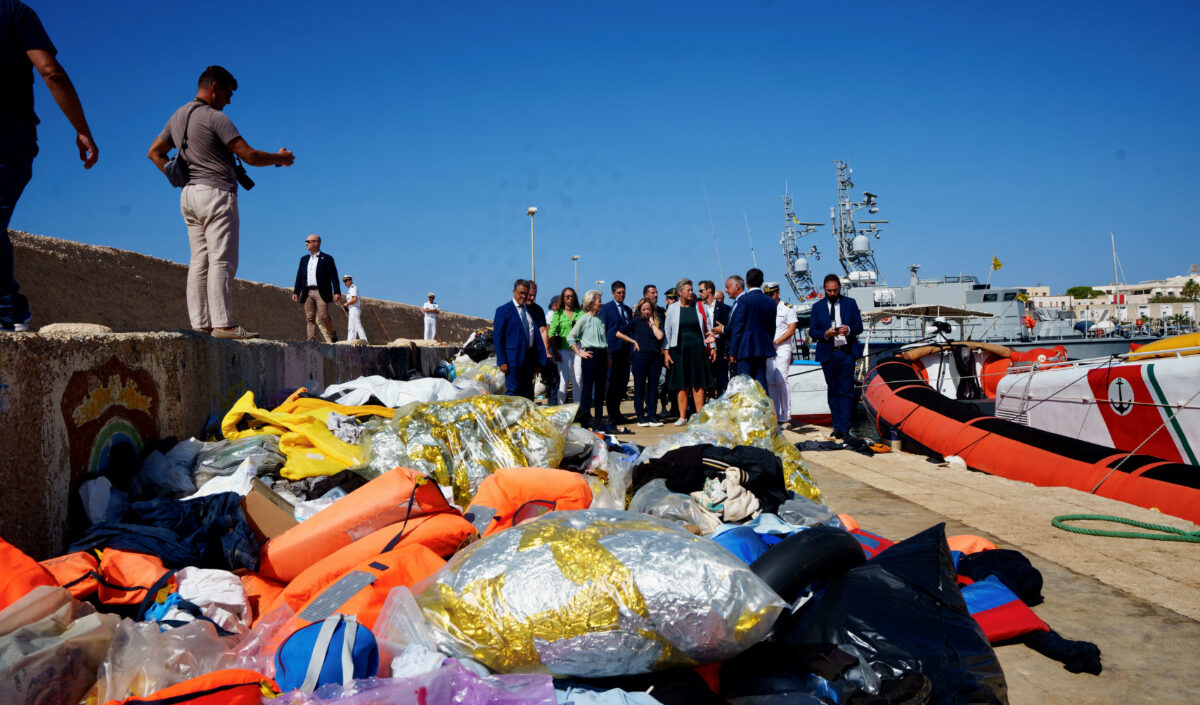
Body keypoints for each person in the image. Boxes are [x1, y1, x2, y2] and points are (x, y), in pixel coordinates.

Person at [149, 65, 293, 339]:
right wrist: (280, 158)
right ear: (215, 87)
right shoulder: (215, 118)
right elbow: (249, 156)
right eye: (228, 93)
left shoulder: (177, 116)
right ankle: (224, 325)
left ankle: (201, 325)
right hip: (216, 193)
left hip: (188, 194)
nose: (229, 100)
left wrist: (177, 177)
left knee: (198, 261)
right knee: (222, 260)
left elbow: (154, 152)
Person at [1, 0, 98, 332]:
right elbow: (50, 71)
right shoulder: (15, 12)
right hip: (10, 135)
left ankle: (8, 311)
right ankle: (9, 310)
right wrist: (82, 129)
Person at [808, 273, 863, 440]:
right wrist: (825, 333)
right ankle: (837, 425)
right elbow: (813, 330)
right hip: (828, 354)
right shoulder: (817, 307)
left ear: (840, 288)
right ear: (824, 289)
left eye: (835, 290)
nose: (832, 293)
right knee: (832, 391)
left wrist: (849, 330)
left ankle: (845, 427)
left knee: (846, 390)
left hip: (846, 353)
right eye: (829, 291)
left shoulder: (850, 303)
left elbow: (859, 326)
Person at [663, 278, 714, 425]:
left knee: (698, 383)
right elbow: (667, 332)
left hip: (697, 349)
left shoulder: (700, 307)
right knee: (682, 384)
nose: (691, 292)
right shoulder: (672, 309)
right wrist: (666, 352)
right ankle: (682, 416)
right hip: (679, 350)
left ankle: (699, 415)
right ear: (680, 292)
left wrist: (713, 347)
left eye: (692, 290)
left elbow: (709, 328)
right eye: (688, 290)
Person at [493, 279, 547, 399]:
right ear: (514, 292)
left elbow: (534, 336)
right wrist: (502, 361)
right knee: (513, 392)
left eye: (526, 293)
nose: (524, 296)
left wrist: (537, 362)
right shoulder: (504, 311)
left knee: (528, 392)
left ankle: (526, 417)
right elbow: (498, 337)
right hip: (512, 360)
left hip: (528, 361)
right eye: (521, 293)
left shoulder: (529, 312)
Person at [726, 268, 776, 392]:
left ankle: (749, 411)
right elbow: (771, 327)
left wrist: (733, 351)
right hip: (762, 349)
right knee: (761, 383)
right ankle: (765, 409)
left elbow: (738, 327)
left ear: (747, 281)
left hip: (745, 349)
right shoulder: (770, 302)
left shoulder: (743, 300)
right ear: (761, 282)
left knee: (745, 385)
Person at [567, 289, 609, 430]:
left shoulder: (601, 318)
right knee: (587, 389)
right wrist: (579, 352)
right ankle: (585, 419)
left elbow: (604, 339)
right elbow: (571, 337)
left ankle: (598, 419)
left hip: (602, 354)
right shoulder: (583, 319)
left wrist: (608, 356)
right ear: (591, 303)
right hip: (590, 355)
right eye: (599, 301)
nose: (601, 303)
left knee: (600, 389)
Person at [620, 297, 664, 426]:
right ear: (640, 310)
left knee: (653, 388)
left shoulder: (657, 321)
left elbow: (660, 336)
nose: (646, 312)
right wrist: (633, 341)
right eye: (643, 309)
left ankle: (652, 415)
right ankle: (640, 416)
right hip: (640, 358)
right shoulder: (636, 322)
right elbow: (619, 333)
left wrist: (652, 324)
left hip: (655, 357)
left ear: (652, 310)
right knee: (639, 388)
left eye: (648, 309)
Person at [290, 233, 341, 341]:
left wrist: (337, 291)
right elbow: (299, 276)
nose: (306, 244)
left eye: (308, 241)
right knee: (310, 317)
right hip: (307, 292)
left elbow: (334, 276)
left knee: (324, 316)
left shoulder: (327, 258)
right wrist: (296, 292)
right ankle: (311, 340)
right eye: (306, 242)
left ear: (316, 243)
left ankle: (332, 334)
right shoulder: (303, 259)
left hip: (321, 291)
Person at [600, 280, 634, 427]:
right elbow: (603, 330)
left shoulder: (627, 309)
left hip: (625, 353)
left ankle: (618, 412)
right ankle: (612, 414)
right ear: (613, 293)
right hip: (612, 352)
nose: (622, 295)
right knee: (612, 384)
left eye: (623, 292)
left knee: (622, 384)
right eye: (619, 293)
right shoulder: (606, 309)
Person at [765, 281, 797, 425]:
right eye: (767, 294)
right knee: (770, 381)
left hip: (782, 347)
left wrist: (777, 342)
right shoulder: (765, 309)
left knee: (781, 379)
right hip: (768, 348)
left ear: (777, 293)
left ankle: (786, 413)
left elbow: (791, 330)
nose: (769, 297)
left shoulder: (787, 309)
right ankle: (776, 413)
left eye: (771, 294)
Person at [548, 287, 583, 405]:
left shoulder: (580, 312)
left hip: (578, 348)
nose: (570, 299)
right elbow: (551, 333)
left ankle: (577, 408)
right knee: (565, 380)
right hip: (563, 349)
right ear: (563, 299)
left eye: (572, 296)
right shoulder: (558, 313)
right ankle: (561, 407)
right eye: (567, 296)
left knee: (578, 379)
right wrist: (554, 350)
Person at [698, 279, 731, 397]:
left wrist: (727, 350)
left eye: (701, 290)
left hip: (721, 350)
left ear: (709, 290)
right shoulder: (698, 308)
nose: (699, 293)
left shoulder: (724, 309)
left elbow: (729, 330)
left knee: (722, 381)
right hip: (704, 349)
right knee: (707, 381)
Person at [526, 281, 554, 402]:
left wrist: (546, 351)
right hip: (520, 353)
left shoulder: (538, 310)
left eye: (534, 295)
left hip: (534, 352)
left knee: (534, 381)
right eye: (530, 295)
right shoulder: (518, 309)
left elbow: (543, 331)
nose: (532, 298)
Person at [342, 274, 366, 343]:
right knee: (351, 328)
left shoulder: (353, 288)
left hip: (354, 309)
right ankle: (349, 342)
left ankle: (365, 341)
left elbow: (354, 299)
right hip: (352, 310)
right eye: (344, 281)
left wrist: (346, 304)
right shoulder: (350, 289)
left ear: (350, 280)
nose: (345, 283)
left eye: (346, 281)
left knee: (358, 326)